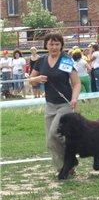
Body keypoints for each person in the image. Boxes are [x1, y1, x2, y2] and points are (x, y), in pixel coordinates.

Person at [29, 32, 81, 174]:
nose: (54, 47)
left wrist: (74, 98)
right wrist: (38, 78)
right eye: (51, 44)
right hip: (50, 105)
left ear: (61, 45)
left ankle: (70, 159)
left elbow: (76, 83)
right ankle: (64, 168)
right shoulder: (41, 61)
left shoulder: (66, 60)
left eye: (57, 44)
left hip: (65, 104)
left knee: (54, 134)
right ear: (46, 45)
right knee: (50, 141)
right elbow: (30, 79)